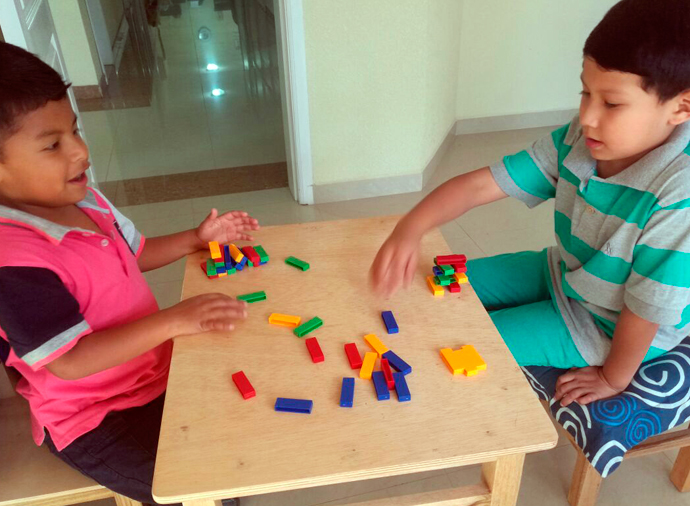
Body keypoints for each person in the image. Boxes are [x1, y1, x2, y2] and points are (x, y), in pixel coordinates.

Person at [371, 0, 690, 408]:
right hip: (563, 272)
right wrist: (410, 228)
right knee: (436, 284)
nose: (587, 117)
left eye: (611, 103)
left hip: (606, 326)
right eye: (585, 92)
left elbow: (647, 310)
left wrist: (612, 378)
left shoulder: (678, 196)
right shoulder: (580, 138)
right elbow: (479, 186)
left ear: (680, 107)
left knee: (454, 343)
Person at [0, 41, 255, 505]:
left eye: (75, 130)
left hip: (155, 371)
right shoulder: (13, 261)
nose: (81, 152)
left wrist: (195, 238)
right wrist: (175, 320)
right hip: (96, 417)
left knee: (238, 449)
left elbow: (135, 253)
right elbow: (69, 361)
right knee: (196, 482)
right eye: (53, 145)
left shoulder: (86, 201)